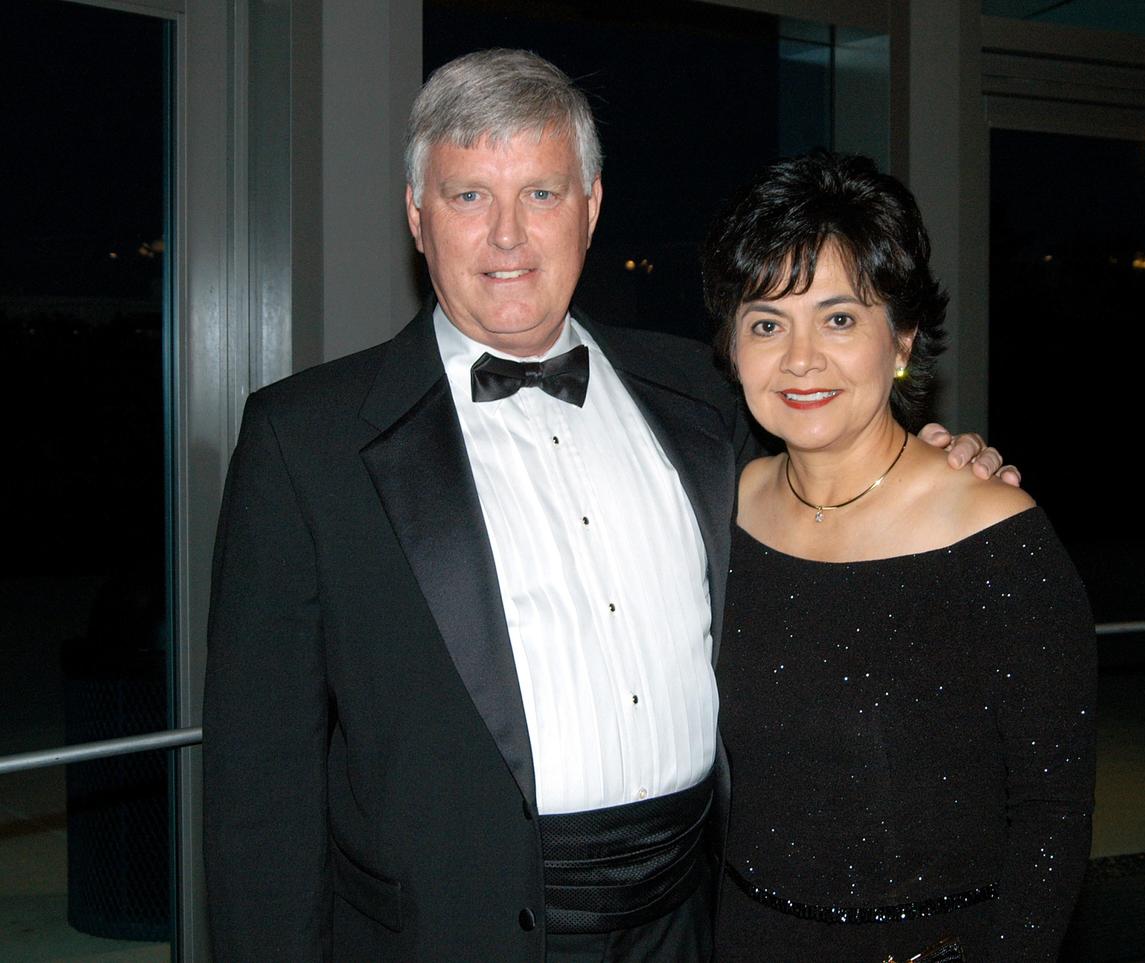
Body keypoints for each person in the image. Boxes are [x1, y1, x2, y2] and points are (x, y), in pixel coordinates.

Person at [202, 51, 1008, 961]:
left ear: (590, 209)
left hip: (699, 919)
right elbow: (257, 792)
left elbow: (834, 484)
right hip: (452, 934)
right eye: (469, 197)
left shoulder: (704, 397)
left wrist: (934, 461)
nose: (508, 237)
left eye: (541, 194)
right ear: (416, 216)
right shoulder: (304, 442)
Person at [704, 152, 1095, 962]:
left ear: (904, 340)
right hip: (746, 939)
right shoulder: (719, 508)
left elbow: (1052, 811)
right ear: (734, 348)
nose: (801, 358)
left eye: (840, 318)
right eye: (767, 323)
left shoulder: (992, 531)